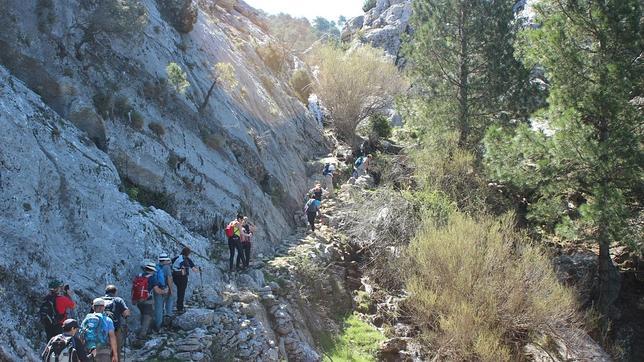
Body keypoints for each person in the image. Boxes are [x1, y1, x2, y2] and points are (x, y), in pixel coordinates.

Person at [132, 262, 165, 344]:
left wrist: (133, 299)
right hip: (147, 300)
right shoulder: (152, 278)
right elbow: (157, 290)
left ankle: (147, 331)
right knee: (148, 316)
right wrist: (164, 291)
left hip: (138, 300)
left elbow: (133, 288)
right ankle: (142, 336)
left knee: (142, 315)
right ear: (153, 270)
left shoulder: (138, 276)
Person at [100, 285, 130, 359]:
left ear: (105, 292)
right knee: (116, 349)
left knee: (100, 350)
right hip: (114, 329)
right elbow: (126, 313)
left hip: (100, 328)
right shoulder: (118, 300)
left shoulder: (98, 300)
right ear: (115, 292)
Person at [171, 248, 198, 313]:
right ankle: (180, 308)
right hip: (182, 278)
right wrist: (199, 270)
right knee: (181, 292)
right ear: (188, 254)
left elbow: (170, 264)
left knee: (179, 291)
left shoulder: (177, 257)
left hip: (175, 276)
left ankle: (178, 306)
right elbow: (194, 269)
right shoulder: (187, 259)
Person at [157, 253, 174, 326]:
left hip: (157, 288)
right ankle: (168, 317)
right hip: (165, 288)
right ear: (164, 260)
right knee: (170, 299)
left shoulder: (156, 266)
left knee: (159, 306)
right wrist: (171, 289)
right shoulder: (167, 267)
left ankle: (158, 325)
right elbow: (169, 278)